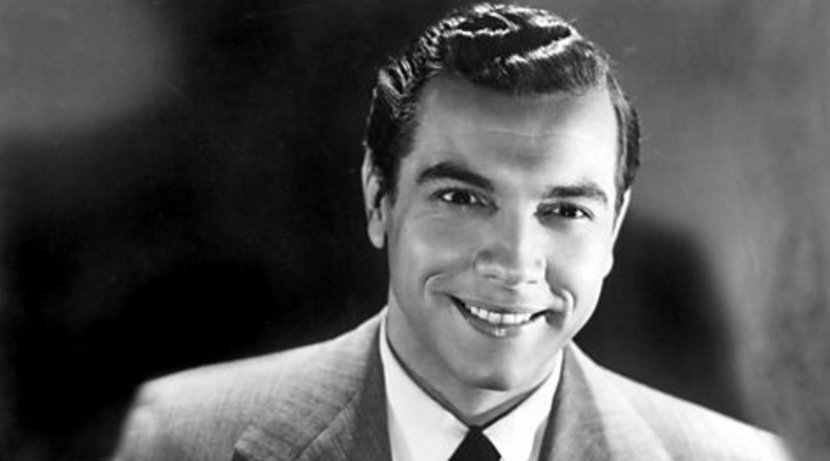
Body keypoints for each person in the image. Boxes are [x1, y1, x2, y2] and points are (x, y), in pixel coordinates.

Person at [112, 3, 790, 460]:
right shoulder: (180, 438)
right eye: (463, 198)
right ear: (378, 199)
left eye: (565, 211)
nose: (515, 262)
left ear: (613, 227)